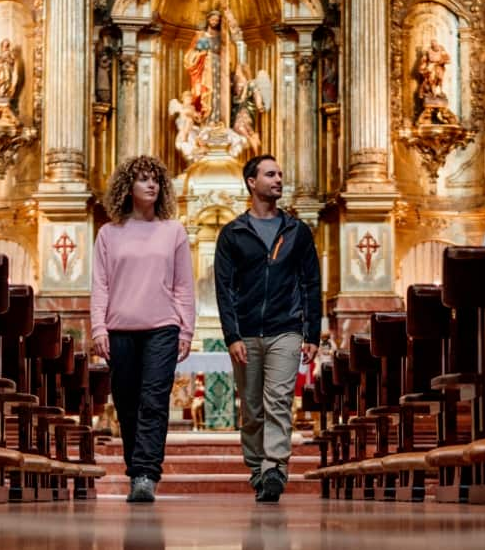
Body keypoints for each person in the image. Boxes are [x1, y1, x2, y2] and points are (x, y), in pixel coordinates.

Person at [215, 155, 322, 503]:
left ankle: (275, 467)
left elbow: (310, 284)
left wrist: (312, 333)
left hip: (285, 329)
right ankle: (257, 468)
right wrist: (231, 336)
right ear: (251, 181)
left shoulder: (296, 231)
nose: (278, 179)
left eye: (280, 173)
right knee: (251, 408)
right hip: (246, 331)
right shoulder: (233, 233)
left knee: (277, 401)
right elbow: (224, 289)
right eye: (270, 174)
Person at [91, 155, 195, 503]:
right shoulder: (108, 233)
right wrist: (98, 329)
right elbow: (101, 285)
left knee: (153, 401)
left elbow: (184, 285)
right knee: (127, 402)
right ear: (127, 187)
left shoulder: (174, 231)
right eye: (143, 179)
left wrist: (186, 330)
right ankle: (135, 467)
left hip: (163, 328)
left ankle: (145, 474)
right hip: (120, 328)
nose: (151, 185)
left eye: (155, 180)